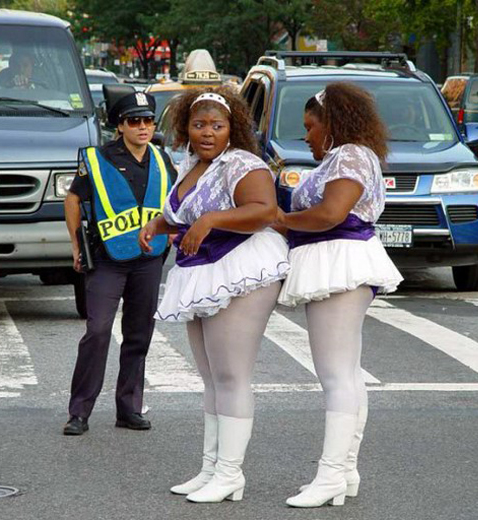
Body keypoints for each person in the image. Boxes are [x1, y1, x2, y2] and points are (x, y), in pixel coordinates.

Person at [138, 87, 290, 503]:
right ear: (186, 127)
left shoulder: (243, 163)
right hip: (202, 272)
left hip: (241, 269)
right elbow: (182, 217)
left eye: (217, 126)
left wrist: (211, 220)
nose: (207, 132)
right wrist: (158, 225)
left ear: (232, 128)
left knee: (231, 375)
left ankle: (231, 474)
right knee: (211, 377)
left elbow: (264, 210)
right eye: (199, 124)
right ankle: (210, 468)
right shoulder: (190, 165)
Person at [276, 83, 403, 508]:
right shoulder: (350, 155)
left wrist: (281, 221)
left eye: (311, 127)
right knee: (347, 373)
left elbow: (332, 213)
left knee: (335, 375)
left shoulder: (349, 155)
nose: (307, 136)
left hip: (340, 262)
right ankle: (344, 471)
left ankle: (331, 474)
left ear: (332, 124)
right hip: (342, 260)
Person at [62, 90, 176, 436]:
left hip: (149, 258)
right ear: (120, 126)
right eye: (134, 121)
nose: (143, 127)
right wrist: (74, 244)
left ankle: (128, 408)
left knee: (138, 335)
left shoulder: (161, 157)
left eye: (148, 121)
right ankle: (79, 412)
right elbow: (73, 197)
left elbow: (174, 197)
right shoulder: (99, 159)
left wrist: (172, 230)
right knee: (97, 331)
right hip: (108, 259)